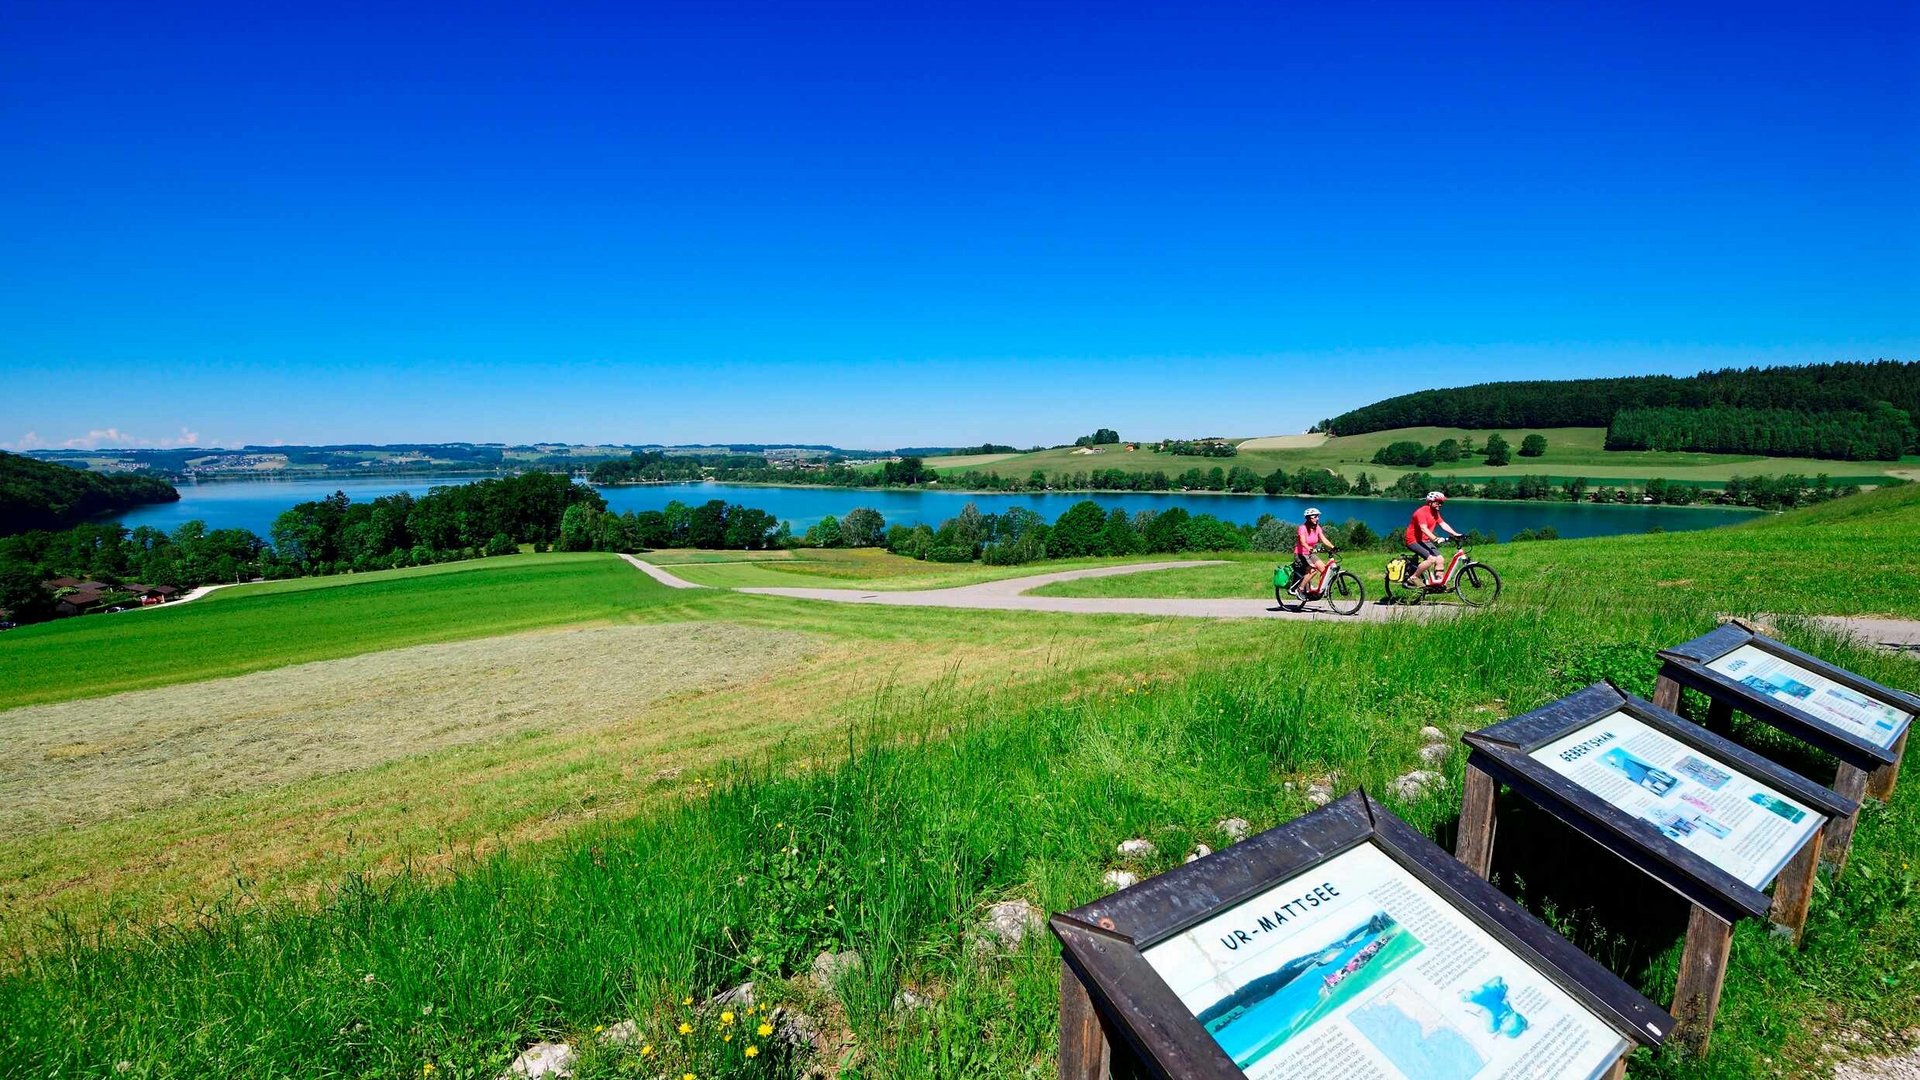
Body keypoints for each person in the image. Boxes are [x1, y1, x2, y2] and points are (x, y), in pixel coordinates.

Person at [1405, 491, 1463, 587]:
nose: (1440, 504)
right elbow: (1423, 528)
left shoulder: (1435, 512)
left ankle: (1439, 584)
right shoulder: (1421, 512)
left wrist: (1456, 534)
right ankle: (1414, 577)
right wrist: (1435, 539)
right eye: (1438, 502)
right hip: (1413, 541)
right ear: (1430, 502)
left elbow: (1443, 524)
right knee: (1431, 559)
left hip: (1425, 540)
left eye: (1441, 502)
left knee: (1440, 559)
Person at [1290, 507, 1334, 596]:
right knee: (1313, 570)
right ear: (1308, 518)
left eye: (1317, 516)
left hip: (1310, 554)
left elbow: (1323, 539)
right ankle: (1300, 589)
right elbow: (1302, 542)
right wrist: (1309, 548)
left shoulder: (1317, 528)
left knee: (1324, 570)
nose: (1317, 518)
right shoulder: (1302, 528)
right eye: (1315, 517)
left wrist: (1333, 547)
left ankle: (1320, 590)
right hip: (1300, 554)